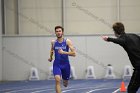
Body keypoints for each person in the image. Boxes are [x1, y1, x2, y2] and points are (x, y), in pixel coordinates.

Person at [102, 22, 140, 93]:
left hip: (139, 68)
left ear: (115, 32)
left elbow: (119, 41)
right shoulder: (134, 35)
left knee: (131, 90)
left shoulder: (124, 39)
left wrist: (108, 38)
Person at [48, 26, 76, 93]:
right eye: (57, 31)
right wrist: (51, 57)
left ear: (62, 32)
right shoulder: (53, 42)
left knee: (65, 84)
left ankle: (66, 80)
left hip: (66, 65)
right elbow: (52, 50)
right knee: (57, 80)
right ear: (55, 32)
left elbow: (74, 54)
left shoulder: (67, 41)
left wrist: (64, 52)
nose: (58, 32)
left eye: (59, 31)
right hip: (57, 65)